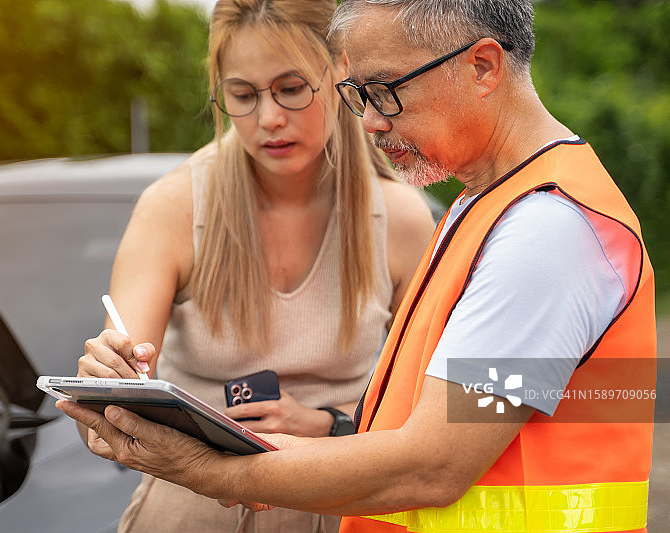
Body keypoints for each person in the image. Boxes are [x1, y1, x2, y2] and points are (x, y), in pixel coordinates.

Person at [62, 1, 657, 532]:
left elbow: (432, 467)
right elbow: (415, 411)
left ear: (482, 66)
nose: (370, 121)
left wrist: (212, 471)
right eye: (359, 96)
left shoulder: (547, 232)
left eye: (385, 90)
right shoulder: (491, 207)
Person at [75, 0, 435, 531]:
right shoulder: (174, 208)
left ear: (340, 72)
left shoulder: (400, 218)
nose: (269, 118)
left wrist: (328, 426)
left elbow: (436, 413)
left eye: (291, 89)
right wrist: (108, 383)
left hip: (335, 513)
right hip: (190, 514)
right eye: (243, 96)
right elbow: (108, 420)